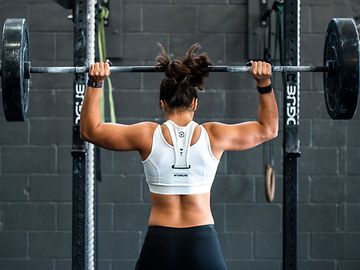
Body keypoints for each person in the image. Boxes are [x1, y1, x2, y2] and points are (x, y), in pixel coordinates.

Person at [80, 44, 278, 270]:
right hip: (202, 240)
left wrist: (95, 83)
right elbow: (268, 129)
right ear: (195, 103)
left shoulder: (146, 135)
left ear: (162, 103)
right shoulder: (214, 135)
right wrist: (264, 84)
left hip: (160, 242)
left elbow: (90, 130)